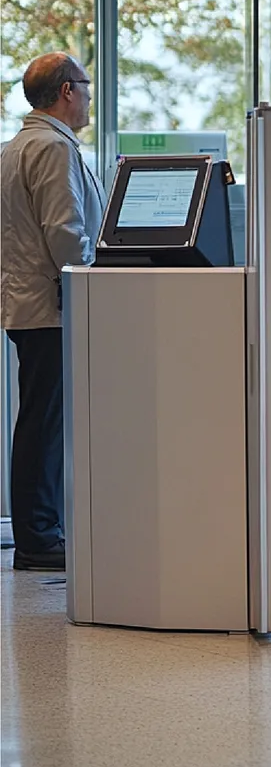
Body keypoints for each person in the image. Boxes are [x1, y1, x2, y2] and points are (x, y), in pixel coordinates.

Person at [1, 53, 105, 572]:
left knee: (39, 419)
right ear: (67, 91)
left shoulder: (18, 145)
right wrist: (90, 275)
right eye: (85, 85)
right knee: (43, 422)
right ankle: (39, 539)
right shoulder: (50, 147)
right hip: (51, 305)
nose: (89, 95)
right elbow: (65, 230)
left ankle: (40, 532)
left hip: (31, 303)